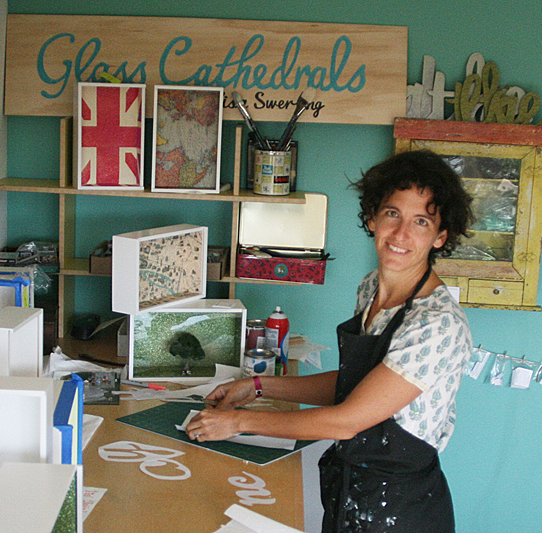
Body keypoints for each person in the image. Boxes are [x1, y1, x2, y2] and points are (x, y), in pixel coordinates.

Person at [186, 149, 474, 532]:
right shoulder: (372, 288)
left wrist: (238, 423)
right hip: (351, 489)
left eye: (421, 222)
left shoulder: (437, 324)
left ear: (440, 236)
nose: (401, 234)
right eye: (393, 214)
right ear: (372, 218)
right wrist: (256, 386)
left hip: (400, 510)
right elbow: (354, 388)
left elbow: (346, 421)